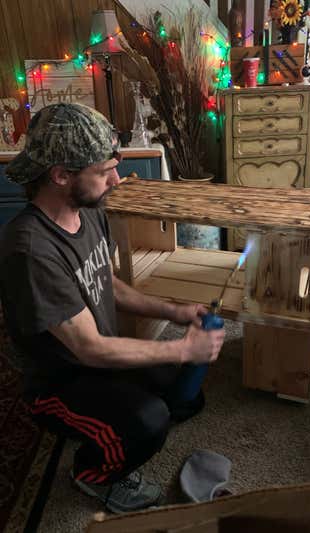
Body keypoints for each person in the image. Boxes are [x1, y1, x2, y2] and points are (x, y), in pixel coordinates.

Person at [0, 103, 225, 514]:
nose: (116, 180)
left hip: (98, 358)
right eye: (105, 171)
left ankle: (112, 424)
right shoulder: (30, 250)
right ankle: (89, 473)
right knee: (150, 421)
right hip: (59, 383)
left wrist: (173, 312)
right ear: (61, 175)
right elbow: (90, 349)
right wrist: (181, 349)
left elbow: (107, 282)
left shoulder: (87, 210)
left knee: (186, 397)